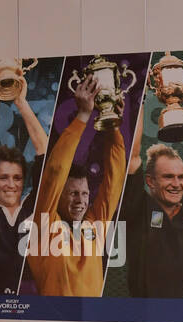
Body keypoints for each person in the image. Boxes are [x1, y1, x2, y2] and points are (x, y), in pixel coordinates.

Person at [120, 65, 183, 297]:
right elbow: (132, 156)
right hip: (146, 315)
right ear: (150, 181)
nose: (177, 184)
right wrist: (139, 98)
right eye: (167, 177)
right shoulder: (138, 208)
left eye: (180, 177)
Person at [25, 75, 126, 297]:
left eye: (84, 193)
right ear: (57, 196)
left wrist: (113, 126)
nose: (80, 201)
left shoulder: (94, 228)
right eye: (72, 193)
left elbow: (115, 179)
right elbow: (54, 172)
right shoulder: (45, 227)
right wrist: (83, 115)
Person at [0, 74, 49, 294]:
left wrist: (21, 102)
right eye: (3, 177)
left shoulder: (32, 207)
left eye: (17, 178)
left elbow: (45, 155)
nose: (11, 184)